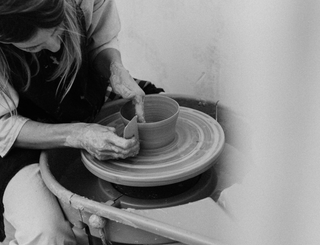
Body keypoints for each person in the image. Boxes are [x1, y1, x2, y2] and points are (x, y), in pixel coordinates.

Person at [0, 0, 164, 244]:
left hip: (85, 94)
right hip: (21, 130)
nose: (56, 47)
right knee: (46, 232)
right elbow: (3, 126)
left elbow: (102, 41)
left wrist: (114, 68)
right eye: (35, 45)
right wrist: (78, 135)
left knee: (158, 108)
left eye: (58, 30)